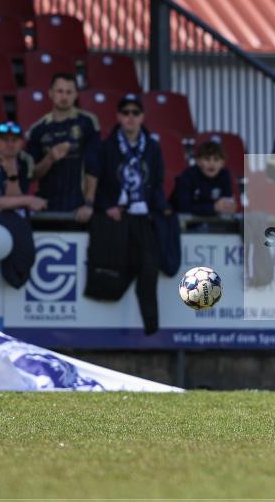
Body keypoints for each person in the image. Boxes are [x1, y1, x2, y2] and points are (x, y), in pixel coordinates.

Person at [85, 94, 166, 335]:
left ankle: (152, 329)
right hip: (115, 216)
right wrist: (104, 205)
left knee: (149, 268)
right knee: (112, 267)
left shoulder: (152, 147)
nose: (130, 117)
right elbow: (95, 181)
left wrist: (159, 208)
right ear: (118, 116)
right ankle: (100, 327)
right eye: (125, 112)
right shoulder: (105, 146)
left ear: (142, 116)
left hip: (143, 217)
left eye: (135, 112)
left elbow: (158, 182)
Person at [0, 121, 45, 287]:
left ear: (21, 143)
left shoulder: (26, 160)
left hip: (9, 213)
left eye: (14, 140)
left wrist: (12, 174)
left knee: (24, 253)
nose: (10, 144)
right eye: (5, 140)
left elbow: (14, 199)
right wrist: (29, 200)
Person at [25, 72, 101, 222]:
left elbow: (93, 166)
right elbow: (31, 175)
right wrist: (49, 158)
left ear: (76, 95)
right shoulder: (38, 129)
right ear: (50, 93)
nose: (64, 97)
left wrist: (88, 203)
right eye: (59, 91)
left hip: (79, 209)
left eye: (69, 92)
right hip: (46, 206)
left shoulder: (88, 122)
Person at [172, 140, 236, 216]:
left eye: (216, 159)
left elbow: (227, 201)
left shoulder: (224, 175)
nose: (212, 163)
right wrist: (213, 207)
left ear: (222, 163)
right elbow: (183, 207)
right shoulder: (187, 176)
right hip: (185, 224)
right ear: (198, 161)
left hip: (213, 222)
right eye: (207, 159)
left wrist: (229, 207)